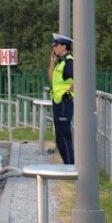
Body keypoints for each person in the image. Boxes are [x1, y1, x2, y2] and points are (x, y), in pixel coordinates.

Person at [48, 32, 75, 164]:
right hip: (58, 102)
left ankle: (70, 164)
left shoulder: (69, 62)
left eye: (56, 45)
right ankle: (67, 163)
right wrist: (52, 63)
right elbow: (51, 79)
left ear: (64, 47)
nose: (54, 48)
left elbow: (78, 79)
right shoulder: (60, 63)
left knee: (64, 135)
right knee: (59, 136)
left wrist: (67, 92)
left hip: (64, 102)